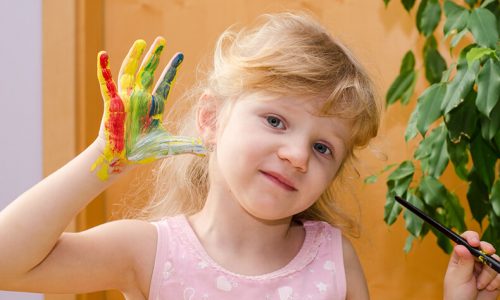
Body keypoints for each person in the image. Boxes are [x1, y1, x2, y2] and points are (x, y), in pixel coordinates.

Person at [0, 12, 498, 300]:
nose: (298, 154)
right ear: (211, 120)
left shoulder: (332, 259)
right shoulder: (148, 252)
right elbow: (8, 263)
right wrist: (105, 160)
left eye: (323, 147)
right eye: (276, 121)